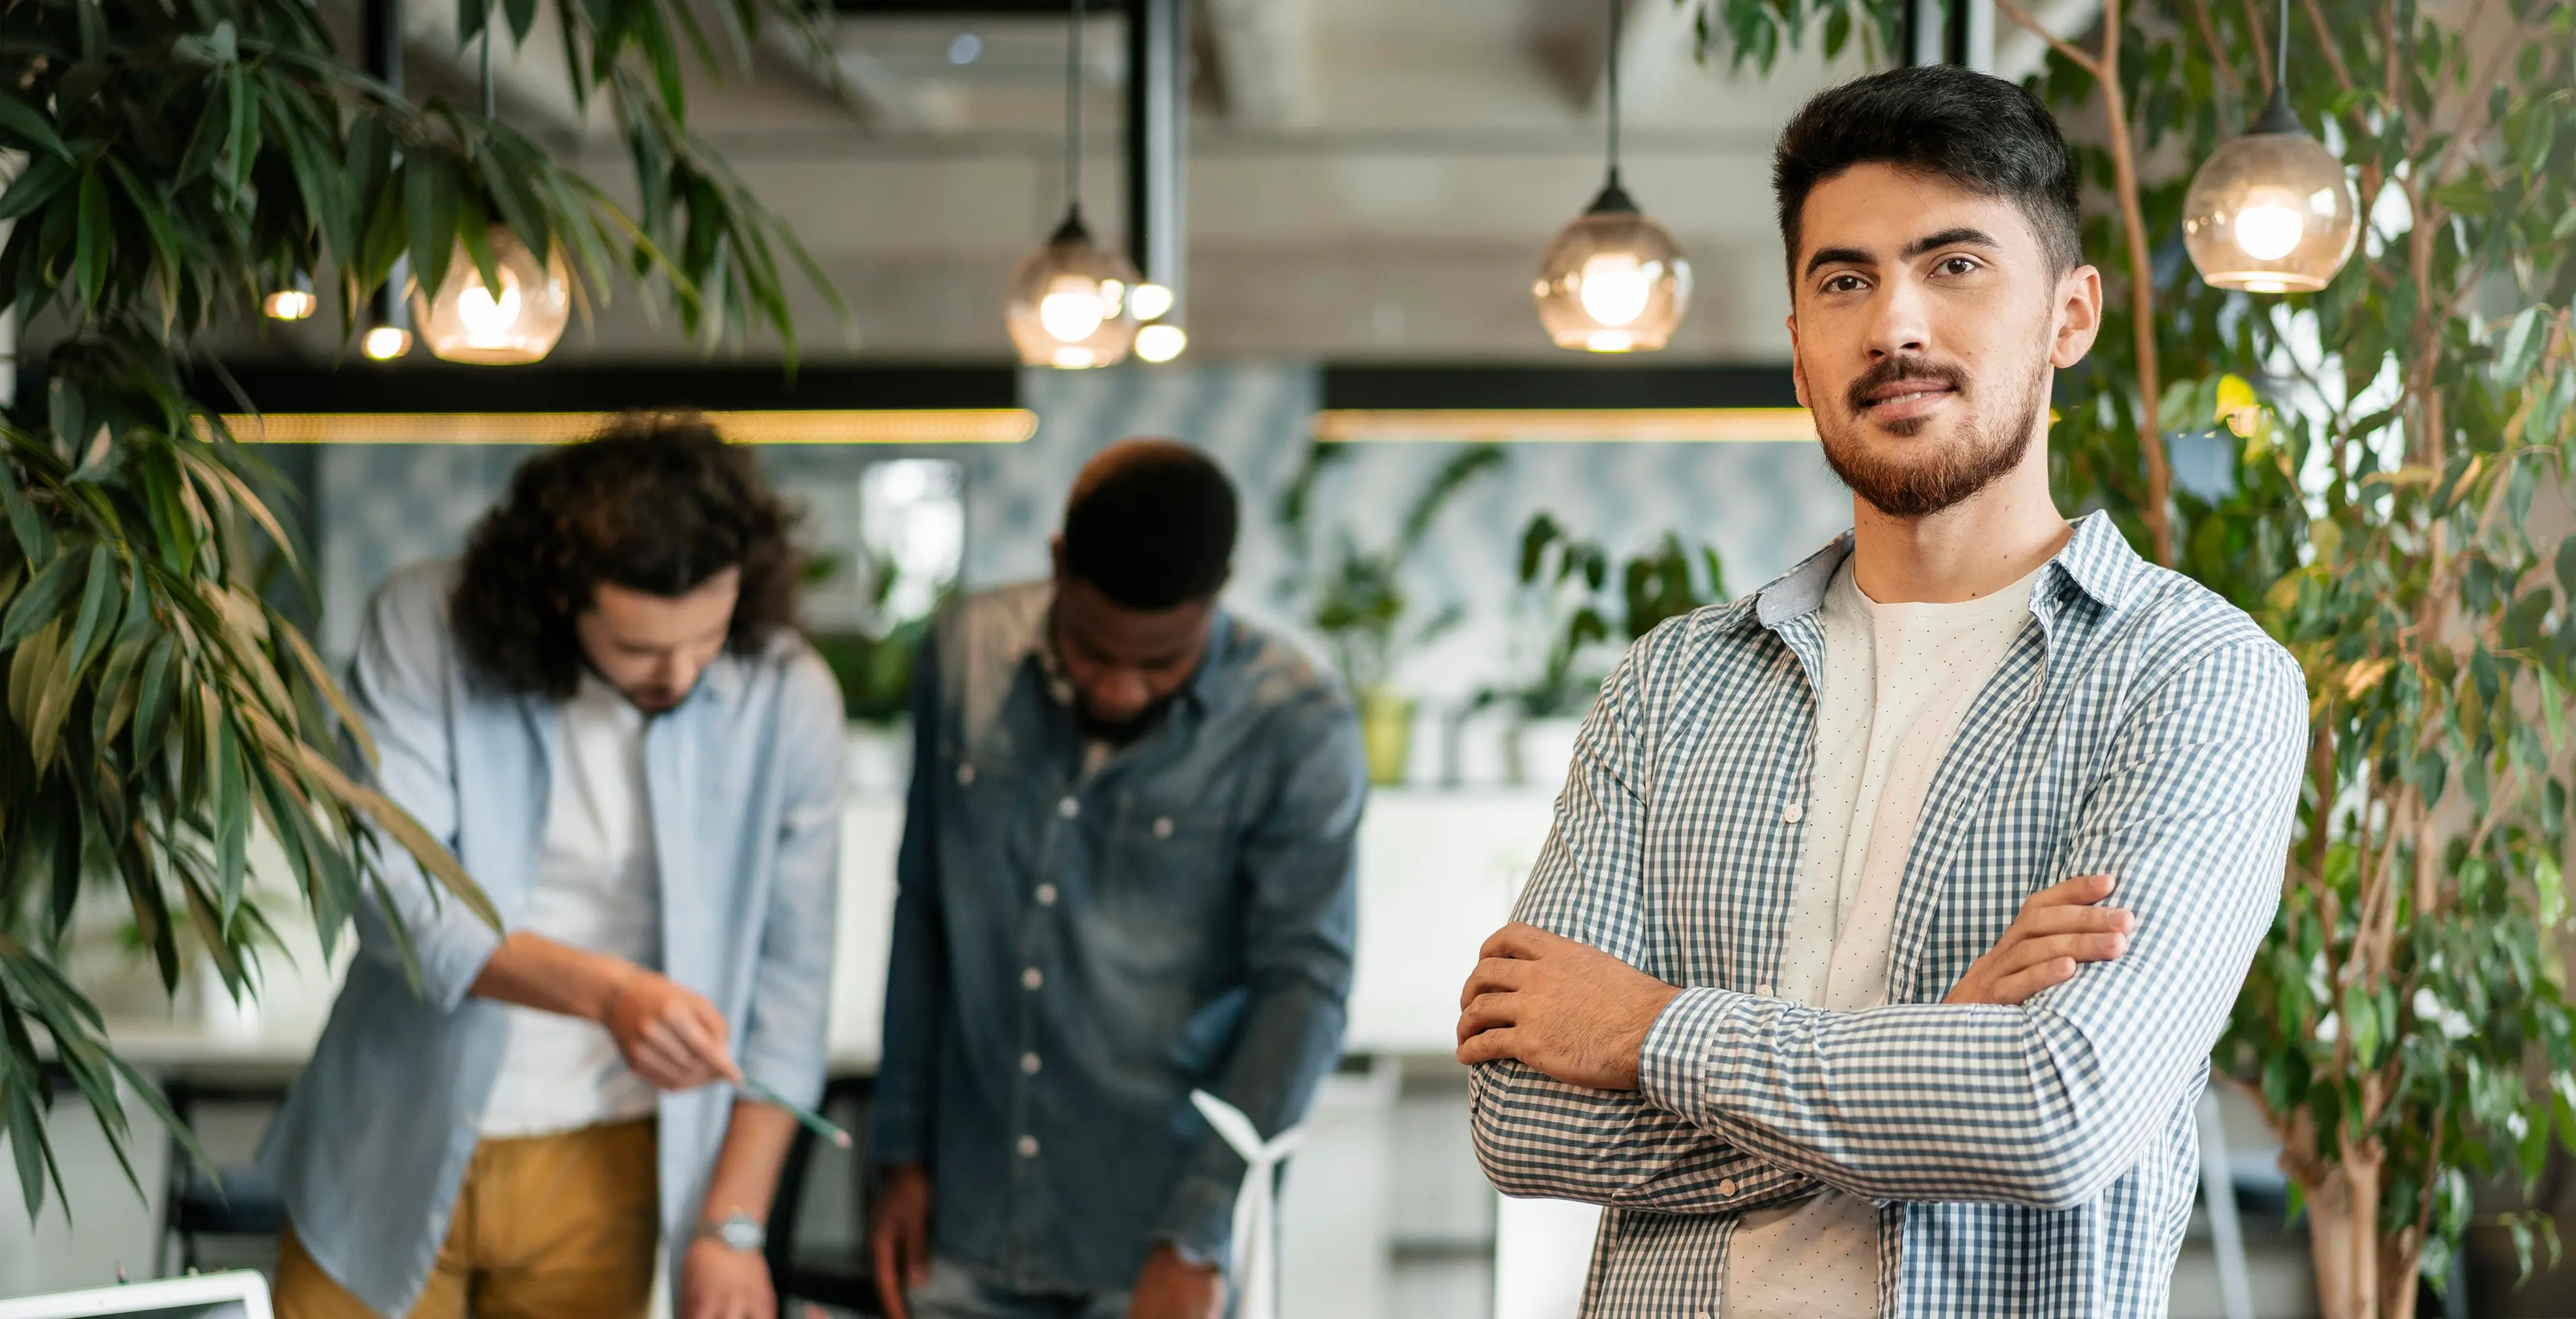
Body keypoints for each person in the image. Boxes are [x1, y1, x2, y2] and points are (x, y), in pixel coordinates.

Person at [1456, 66, 2310, 1318]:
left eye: (1955, 265)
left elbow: (2054, 1109)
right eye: (1844, 279)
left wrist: (1651, 1033)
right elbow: (1525, 1125)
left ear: (2069, 318)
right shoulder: (1673, 684)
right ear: (1800, 348)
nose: (1894, 326)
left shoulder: (2192, 674)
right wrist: (1933, 1050)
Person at [261, 417, 847, 1319]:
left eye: (706, 637)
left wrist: (733, 1227)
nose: (683, 674)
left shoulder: (787, 692)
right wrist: (611, 994)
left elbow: (791, 996)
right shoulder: (426, 626)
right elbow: (395, 899)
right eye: (643, 650)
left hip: (607, 1160)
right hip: (386, 1141)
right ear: (559, 598)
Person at [870, 439, 1365, 1319]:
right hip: (966, 1211)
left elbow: (1306, 988)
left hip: (1155, 1234)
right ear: (1060, 564)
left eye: (1163, 665)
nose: (1124, 690)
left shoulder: (1297, 723)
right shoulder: (965, 653)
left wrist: (1199, 1228)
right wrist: (900, 1149)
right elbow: (925, 914)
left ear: (1217, 596)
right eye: (1096, 652)